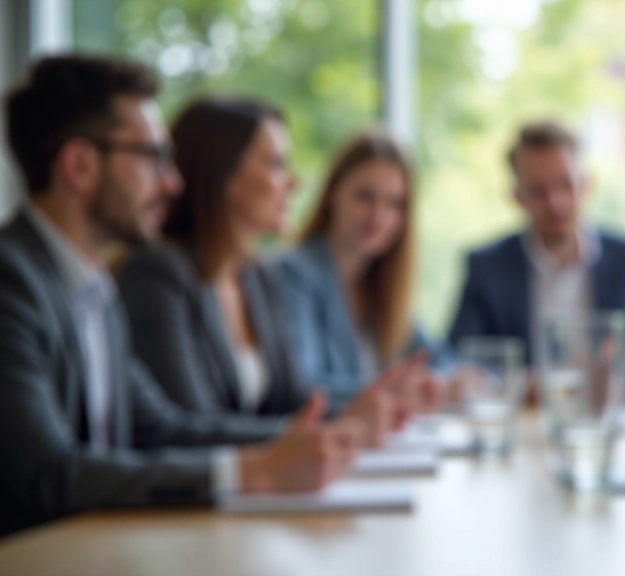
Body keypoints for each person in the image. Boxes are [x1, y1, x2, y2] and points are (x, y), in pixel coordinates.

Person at [0, 55, 362, 536]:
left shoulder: (92, 290)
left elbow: (159, 428)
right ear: (80, 165)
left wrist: (303, 442)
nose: (172, 184)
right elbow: (48, 475)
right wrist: (249, 472)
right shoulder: (11, 282)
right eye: (152, 159)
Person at [117, 98, 420, 445]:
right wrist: (327, 430)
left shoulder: (256, 276)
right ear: (224, 175)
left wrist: (363, 410)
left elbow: (293, 402)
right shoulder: (158, 275)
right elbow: (190, 428)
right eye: (276, 165)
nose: (292, 183)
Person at [447, 120, 625, 392]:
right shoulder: (487, 267)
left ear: (585, 185)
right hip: (526, 425)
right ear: (517, 197)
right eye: (537, 190)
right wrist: (515, 385)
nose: (555, 202)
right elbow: (455, 360)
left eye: (565, 184)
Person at [274, 129, 447, 410]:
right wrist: (393, 392)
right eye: (365, 197)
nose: (379, 216)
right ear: (334, 193)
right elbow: (305, 388)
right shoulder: (294, 274)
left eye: (395, 204)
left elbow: (438, 359)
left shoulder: (379, 282)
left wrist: (440, 382)